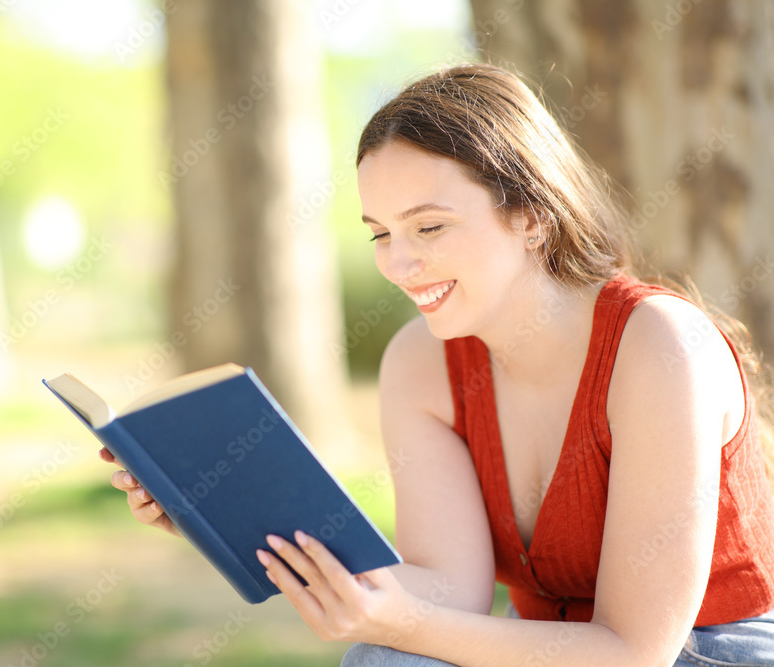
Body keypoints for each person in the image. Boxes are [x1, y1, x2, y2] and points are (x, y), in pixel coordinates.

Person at [101, 63, 774, 666]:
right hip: (557, 650)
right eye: (380, 233)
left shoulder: (658, 346)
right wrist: (223, 514)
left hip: (708, 649)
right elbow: (451, 587)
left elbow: (633, 652)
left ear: (533, 214)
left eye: (429, 227)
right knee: (385, 660)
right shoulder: (422, 362)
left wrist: (410, 622)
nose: (398, 262)